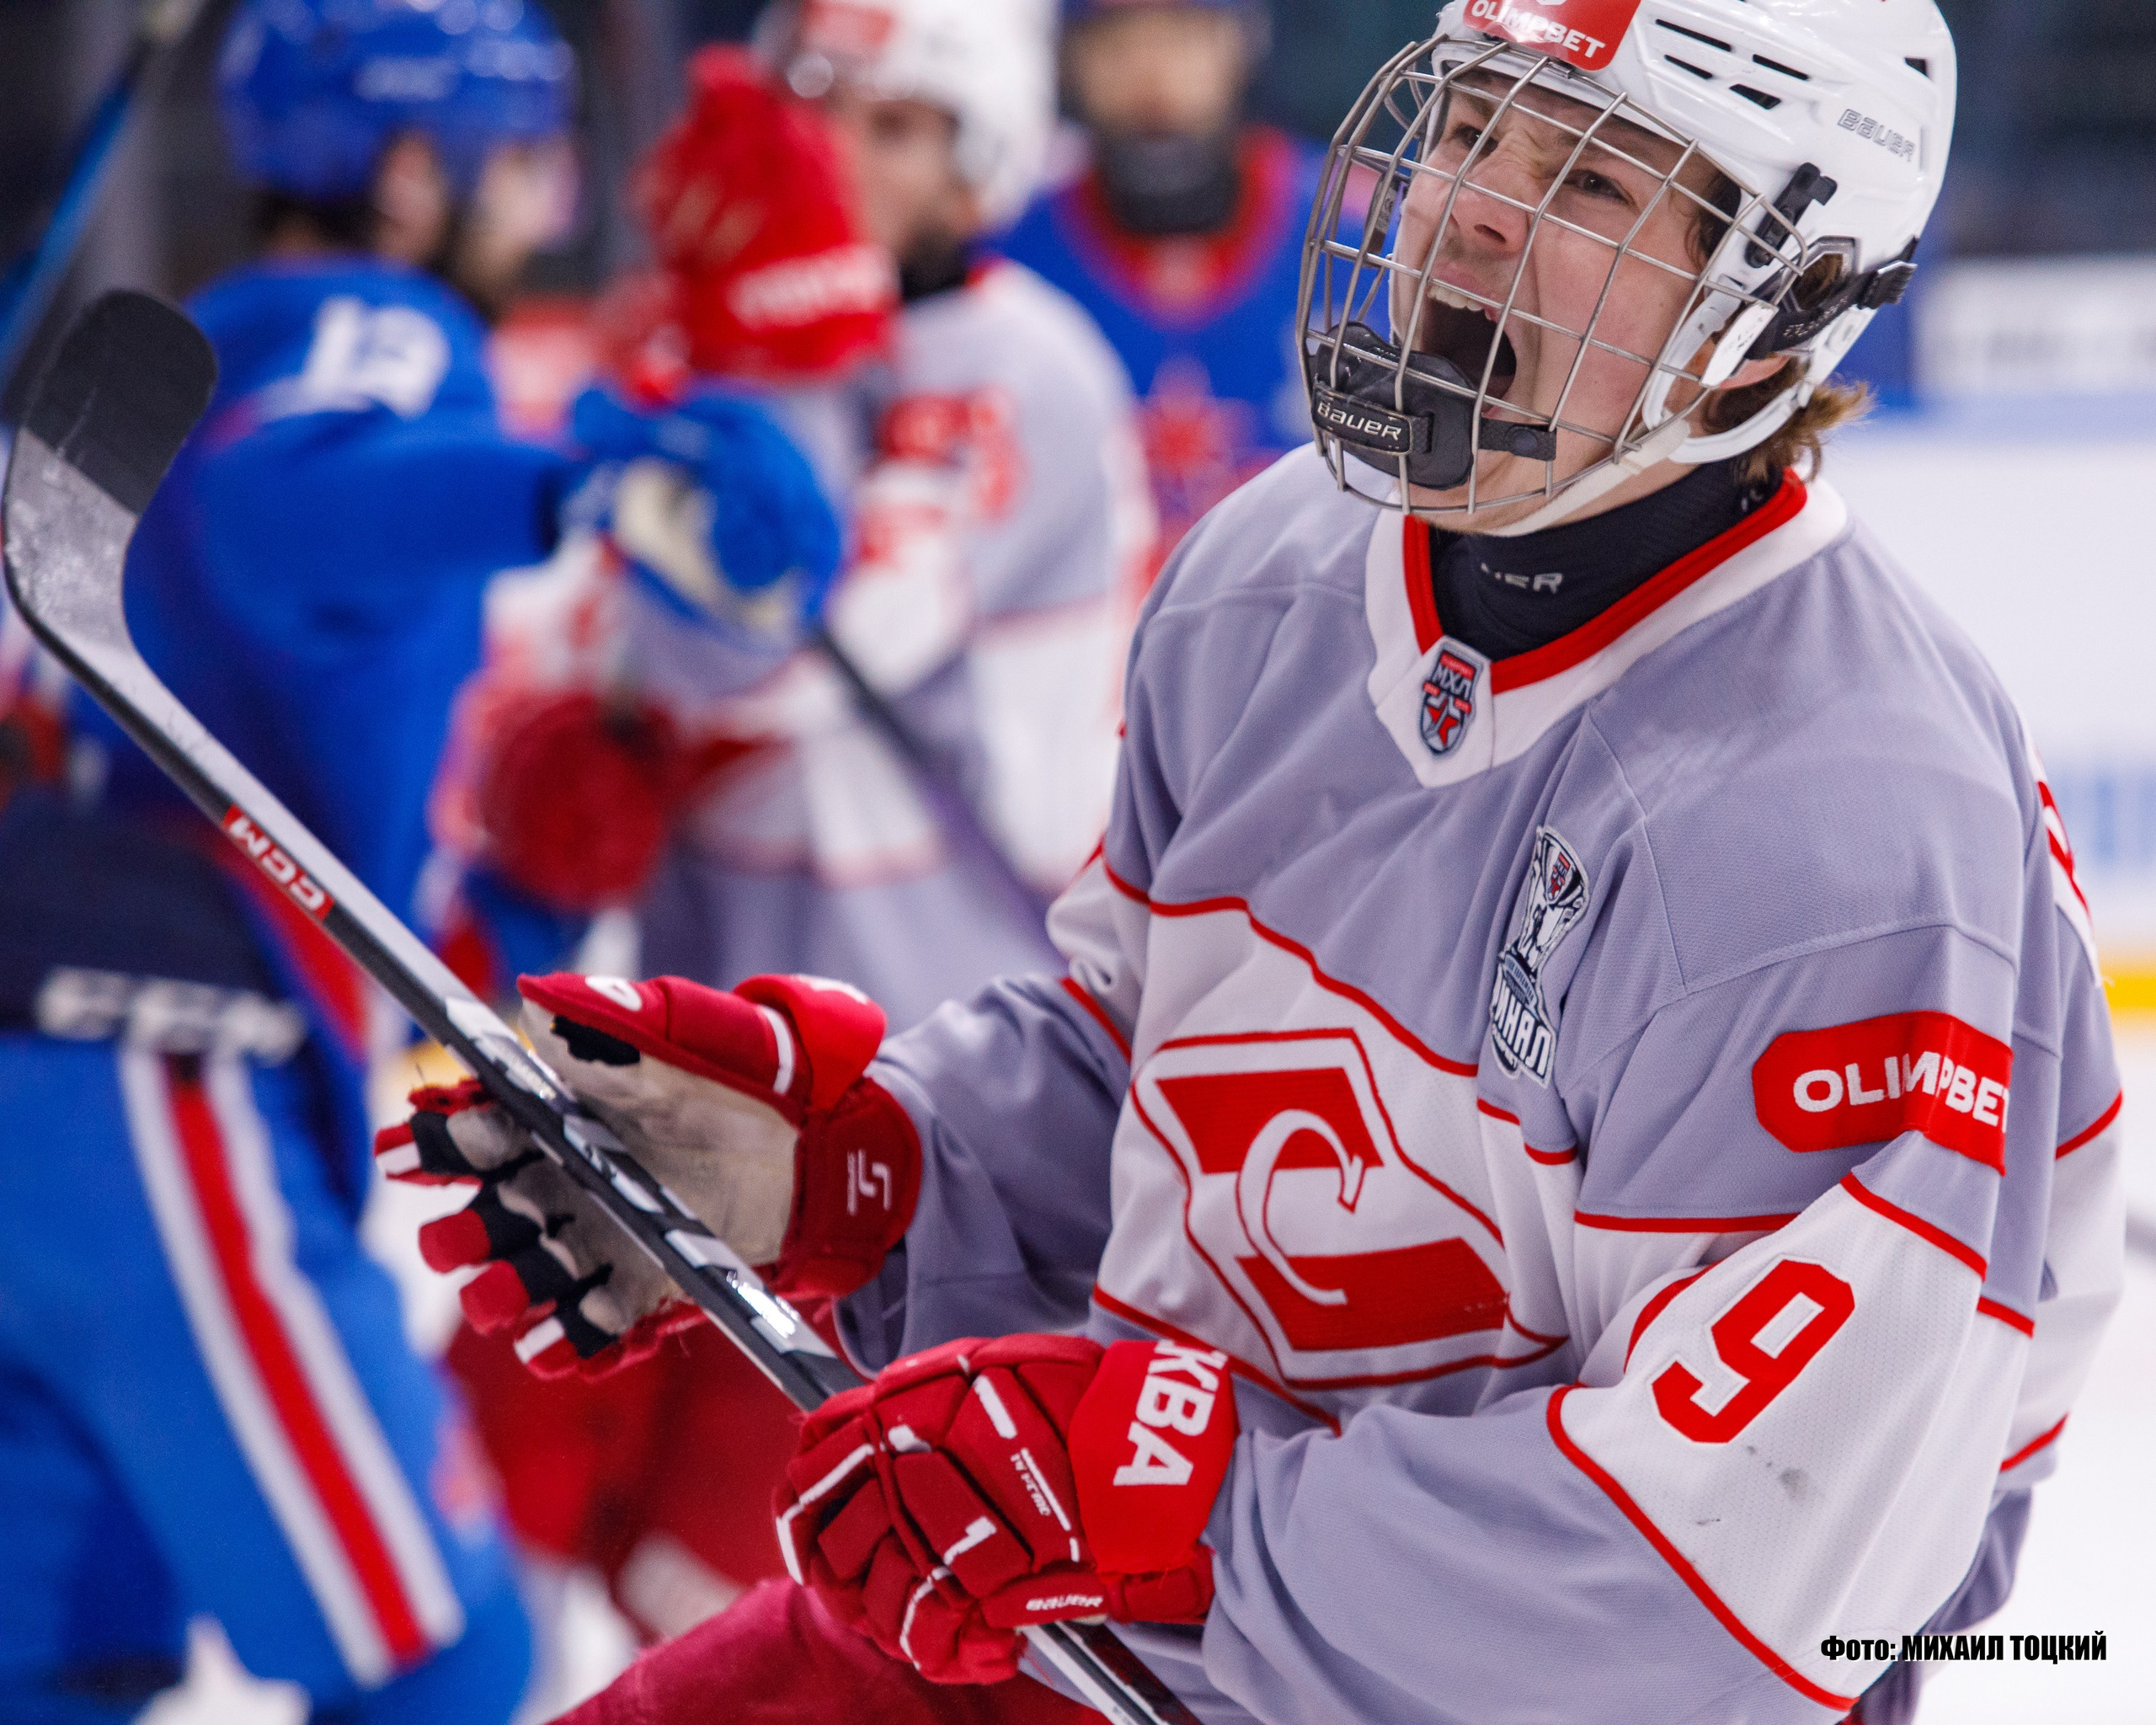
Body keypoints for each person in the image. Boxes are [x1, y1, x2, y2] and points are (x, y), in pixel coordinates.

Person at [387, 1, 2128, 1722]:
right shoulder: (1274, 571)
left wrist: (1158, 1497)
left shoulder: (1839, 834)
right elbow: (1154, 1086)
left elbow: (1718, 1585)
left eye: (1585, 187)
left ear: (1776, 312)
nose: (1463, 215)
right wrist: (863, 1167)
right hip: (1140, 1620)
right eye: (1465, 132)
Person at [0, 2, 836, 1720]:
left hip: (66, 1078)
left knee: (62, 1651)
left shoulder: (184, 350)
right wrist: (581, 482)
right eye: (519, 162)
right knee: (441, 1658)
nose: (540, 209)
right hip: (145, 1085)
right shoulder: (370, 340)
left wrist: (516, 900)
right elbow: (282, 511)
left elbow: (287, 792)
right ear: (401, 174)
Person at [429, 2, 1154, 1667]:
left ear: (974, 159)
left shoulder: (1016, 364)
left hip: (911, 1091)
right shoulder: (728, 342)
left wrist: (756, 358)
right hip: (697, 1047)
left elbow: (791, 641)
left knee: (790, 1582)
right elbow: (612, 625)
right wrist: (568, 731)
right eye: (815, 112)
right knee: (535, 1469)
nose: (834, 157)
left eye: (893, 126)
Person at [1002, 0, 1321, 559]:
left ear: (1241, 41)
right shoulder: (1007, 253)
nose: (1152, 71)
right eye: (1114, 39)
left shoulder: (1363, 231)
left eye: (1184, 32)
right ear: (1067, 58)